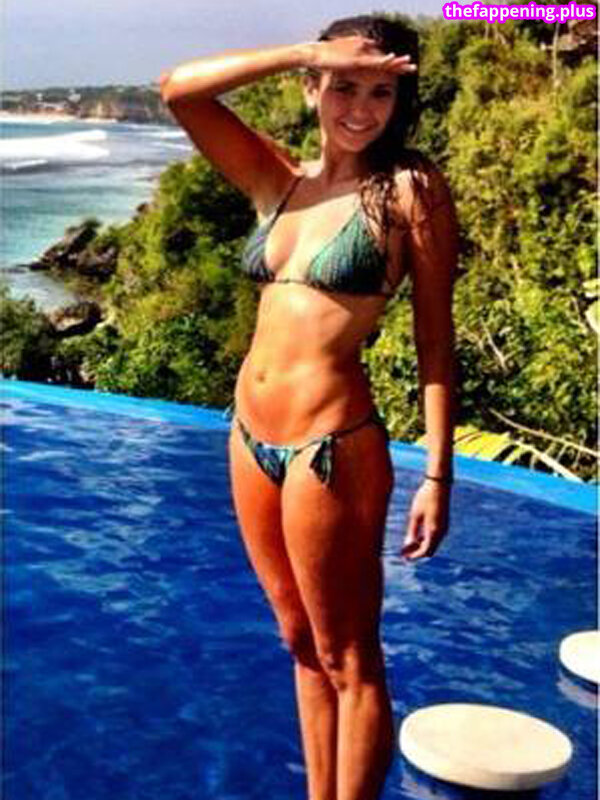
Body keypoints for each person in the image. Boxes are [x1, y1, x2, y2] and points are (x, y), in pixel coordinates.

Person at [159, 13, 458, 800]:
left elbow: (436, 341)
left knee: (348, 655)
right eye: (344, 87)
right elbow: (179, 91)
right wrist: (304, 49)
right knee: (298, 641)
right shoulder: (278, 179)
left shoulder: (410, 191)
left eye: (381, 92)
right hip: (249, 436)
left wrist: (438, 475)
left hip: (332, 443)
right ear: (310, 86)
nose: (361, 109)